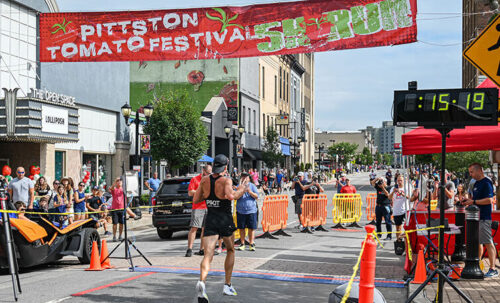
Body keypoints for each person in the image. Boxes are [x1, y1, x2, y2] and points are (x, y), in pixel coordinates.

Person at [193, 154, 249, 301]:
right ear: (226, 166)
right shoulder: (226, 180)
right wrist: (242, 189)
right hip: (225, 218)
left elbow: (196, 199)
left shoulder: (204, 180)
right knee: (230, 249)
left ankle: (202, 282)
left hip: (210, 218)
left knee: (208, 254)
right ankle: (227, 285)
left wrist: (208, 196)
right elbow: (231, 196)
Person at [463, 163, 498, 278]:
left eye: (472, 172)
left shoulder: (487, 182)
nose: (471, 174)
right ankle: (476, 263)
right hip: (476, 218)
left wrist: (473, 202)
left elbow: (489, 200)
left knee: (488, 241)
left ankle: (493, 268)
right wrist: (468, 200)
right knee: (478, 242)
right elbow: (475, 199)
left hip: (484, 217)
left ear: (479, 171)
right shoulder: (476, 183)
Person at [186, 165, 213, 257]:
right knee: (194, 228)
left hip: (208, 206)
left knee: (205, 229)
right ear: (203, 171)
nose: (210, 174)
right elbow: (190, 192)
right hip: (198, 207)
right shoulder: (195, 179)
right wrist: (201, 191)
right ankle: (189, 249)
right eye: (208, 173)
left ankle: (202, 249)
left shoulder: (210, 180)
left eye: (211, 173)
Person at [389, 175, 417, 241]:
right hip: (397, 210)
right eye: (398, 180)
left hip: (406, 210)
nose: (399, 182)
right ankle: (399, 241)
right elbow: (389, 197)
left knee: (408, 227)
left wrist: (402, 194)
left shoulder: (408, 187)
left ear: (404, 181)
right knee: (398, 228)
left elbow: (411, 198)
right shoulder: (393, 188)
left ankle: (408, 241)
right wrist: (393, 192)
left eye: (401, 180)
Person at [236, 172, 259, 251]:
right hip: (240, 210)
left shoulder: (252, 186)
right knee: (241, 228)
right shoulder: (238, 186)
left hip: (251, 210)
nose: (244, 178)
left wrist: (249, 191)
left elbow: (257, 196)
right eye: (243, 177)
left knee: (251, 228)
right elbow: (235, 196)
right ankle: (242, 243)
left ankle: (251, 243)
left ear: (249, 178)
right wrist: (241, 189)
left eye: (246, 177)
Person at [109, 177, 125, 242]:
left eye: (120, 180)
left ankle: (120, 235)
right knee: (115, 223)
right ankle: (114, 236)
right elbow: (111, 188)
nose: (119, 181)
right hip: (115, 209)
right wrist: (115, 182)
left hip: (121, 208)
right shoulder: (114, 189)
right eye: (118, 181)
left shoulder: (123, 189)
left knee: (121, 223)